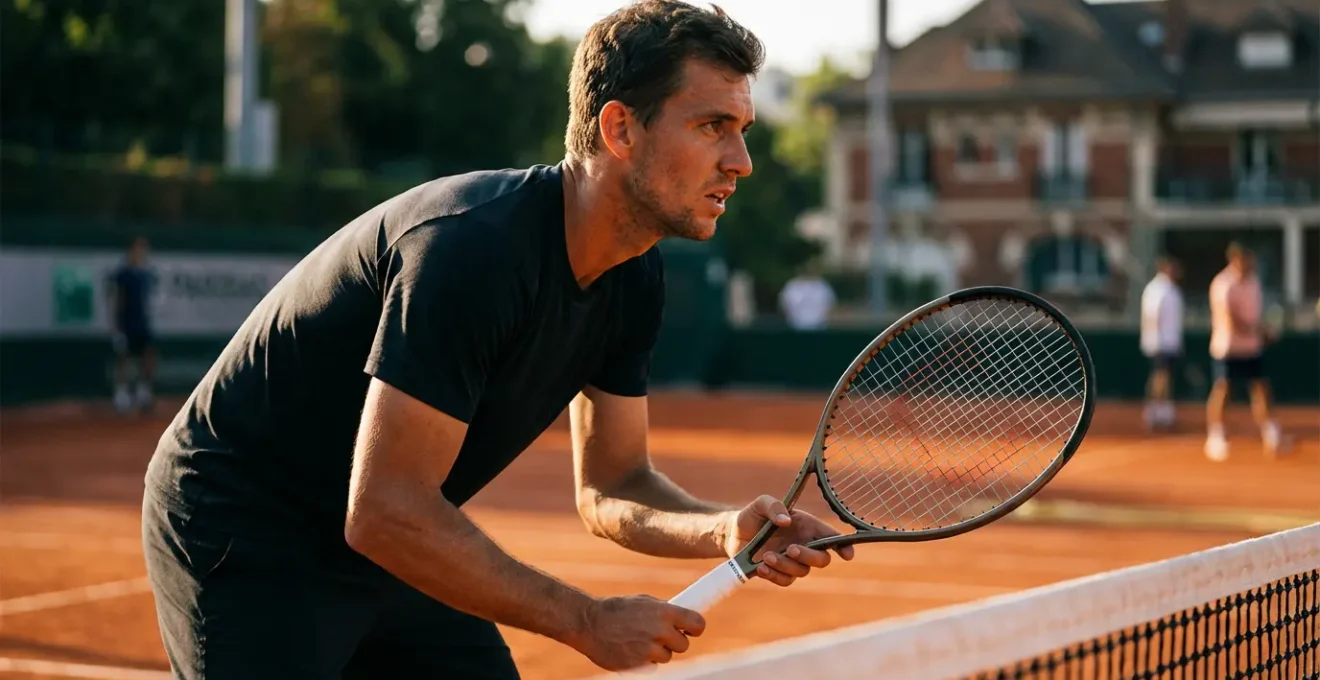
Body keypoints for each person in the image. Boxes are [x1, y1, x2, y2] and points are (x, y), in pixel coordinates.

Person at [140, 3, 854, 678]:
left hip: (391, 534)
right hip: (247, 524)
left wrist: (725, 529)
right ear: (620, 129)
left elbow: (612, 484)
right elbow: (386, 506)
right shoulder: (470, 250)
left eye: (743, 130)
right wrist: (583, 619)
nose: (741, 161)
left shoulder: (634, 275)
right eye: (711, 126)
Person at [1204, 243, 1283, 461]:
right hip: (1227, 347)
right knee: (1223, 389)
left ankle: (1271, 434)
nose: (1250, 264)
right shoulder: (1222, 285)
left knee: (1260, 388)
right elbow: (1230, 318)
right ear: (1235, 259)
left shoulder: (1254, 282)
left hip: (1251, 348)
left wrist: (1261, 331)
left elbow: (1254, 316)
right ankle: (1215, 437)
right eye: (1246, 259)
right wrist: (1260, 331)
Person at [107, 235, 158, 413]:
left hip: (142, 322)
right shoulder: (123, 274)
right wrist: (116, 326)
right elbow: (117, 299)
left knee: (148, 355)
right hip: (126, 322)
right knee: (124, 358)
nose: (140, 252)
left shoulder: (147, 274)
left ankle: (144, 393)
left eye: (143, 249)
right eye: (137, 248)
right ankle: (121, 395)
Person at [1138, 257, 1183, 431]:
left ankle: (1164, 412)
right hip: (1159, 342)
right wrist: (1155, 340)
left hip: (1170, 342)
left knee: (1166, 376)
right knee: (1159, 376)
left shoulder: (1172, 289)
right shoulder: (1156, 289)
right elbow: (1151, 316)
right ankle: (1152, 412)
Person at [779, 260, 836, 330]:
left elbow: (830, 307)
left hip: (819, 328)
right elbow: (784, 306)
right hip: (795, 327)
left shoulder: (823, 286)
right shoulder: (792, 286)